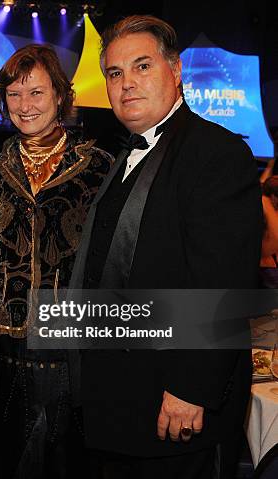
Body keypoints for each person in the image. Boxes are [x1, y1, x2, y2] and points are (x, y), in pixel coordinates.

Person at [68, 15, 262, 479]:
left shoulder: (215, 152)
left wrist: (192, 387)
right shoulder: (125, 154)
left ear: (175, 72)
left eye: (141, 67)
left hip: (173, 408)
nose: (126, 83)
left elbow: (224, 281)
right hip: (117, 402)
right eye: (115, 73)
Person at [0, 44, 113, 478]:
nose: (24, 105)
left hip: (74, 350)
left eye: (36, 92)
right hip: (1, 351)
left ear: (59, 95)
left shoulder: (100, 169)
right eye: (13, 95)